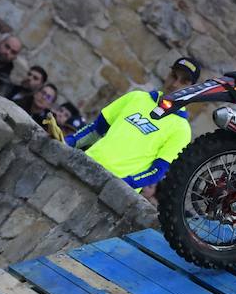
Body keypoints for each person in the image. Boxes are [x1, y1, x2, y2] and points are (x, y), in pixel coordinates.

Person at [65, 57, 200, 194]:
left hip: (113, 191)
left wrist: (122, 184)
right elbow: (95, 129)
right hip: (85, 164)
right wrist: (67, 142)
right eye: (174, 76)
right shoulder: (136, 97)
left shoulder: (182, 130)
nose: (175, 84)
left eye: (184, 82)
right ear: (168, 75)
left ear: (192, 89)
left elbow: (156, 171)